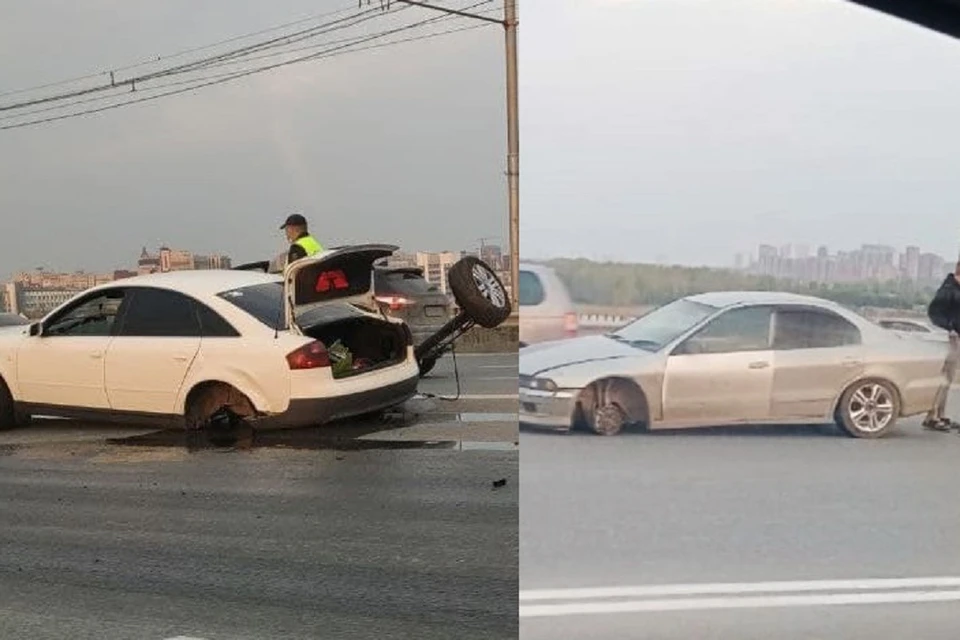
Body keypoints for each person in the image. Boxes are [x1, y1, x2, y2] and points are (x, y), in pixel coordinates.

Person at [924, 260, 960, 432]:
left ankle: (940, 413)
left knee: (948, 379)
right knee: (942, 379)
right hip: (949, 340)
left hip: (955, 340)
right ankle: (932, 415)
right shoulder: (948, 290)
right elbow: (934, 313)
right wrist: (950, 328)